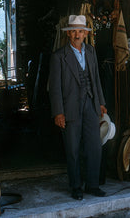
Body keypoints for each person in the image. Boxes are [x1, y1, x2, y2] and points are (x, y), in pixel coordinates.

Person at [49, 15, 107, 200]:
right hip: (70, 107)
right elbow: (55, 87)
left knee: (94, 145)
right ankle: (76, 186)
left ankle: (92, 184)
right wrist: (58, 112)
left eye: (80, 31)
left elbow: (96, 79)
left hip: (90, 103)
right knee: (72, 148)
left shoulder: (90, 52)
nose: (77, 34)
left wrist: (101, 102)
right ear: (68, 34)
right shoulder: (59, 56)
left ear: (85, 34)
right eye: (73, 31)